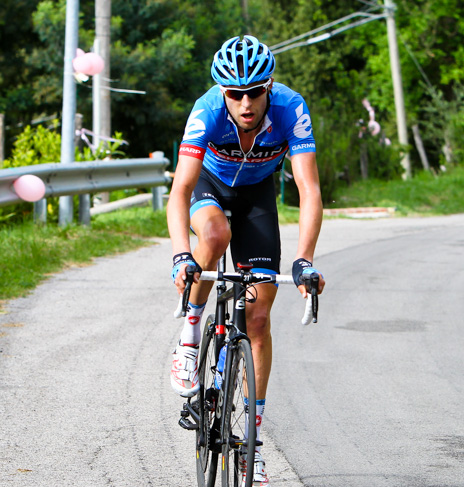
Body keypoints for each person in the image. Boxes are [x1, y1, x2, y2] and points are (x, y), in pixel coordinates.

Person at [167, 35, 326, 486]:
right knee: (215, 235)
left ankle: (250, 447)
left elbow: (309, 190)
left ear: (269, 85)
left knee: (257, 318)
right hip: (210, 189)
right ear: (222, 92)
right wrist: (182, 254)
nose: (245, 103)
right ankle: (191, 335)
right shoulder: (208, 111)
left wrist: (304, 260)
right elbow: (180, 191)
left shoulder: (290, 109)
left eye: (254, 91)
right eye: (235, 94)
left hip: (258, 195)